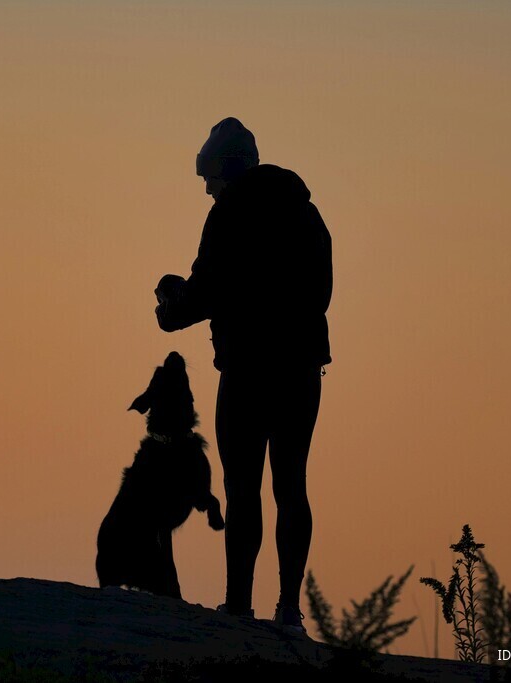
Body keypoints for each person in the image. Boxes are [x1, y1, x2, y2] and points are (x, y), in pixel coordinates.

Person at [154, 117, 332, 633]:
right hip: (301, 371)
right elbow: (321, 293)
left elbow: (203, 294)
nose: (206, 188)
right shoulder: (307, 214)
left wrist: (170, 304)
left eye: (208, 177)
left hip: (248, 372)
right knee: (292, 486)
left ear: (226, 169)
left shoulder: (228, 215)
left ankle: (238, 606)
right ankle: (290, 610)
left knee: (243, 487)